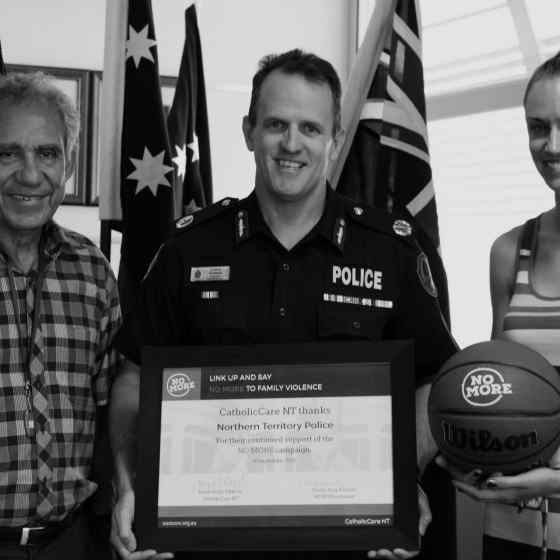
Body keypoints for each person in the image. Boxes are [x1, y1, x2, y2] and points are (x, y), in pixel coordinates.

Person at [110, 49, 458, 560]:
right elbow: (136, 378)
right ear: (249, 130)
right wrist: (127, 484)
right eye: (276, 124)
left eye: (311, 129)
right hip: (211, 541)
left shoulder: (394, 251)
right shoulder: (188, 249)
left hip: (353, 543)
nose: (291, 144)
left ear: (335, 140)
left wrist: (400, 478)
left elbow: (436, 380)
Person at [0, 72, 121, 558]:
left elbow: (116, 415)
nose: (30, 175)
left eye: (47, 153)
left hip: (73, 544)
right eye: (7, 153)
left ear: (68, 165)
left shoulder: (91, 271)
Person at [445, 51, 560, 560]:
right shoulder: (510, 251)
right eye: (538, 127)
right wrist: (464, 444)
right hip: (510, 530)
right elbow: (502, 396)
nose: (552, 146)